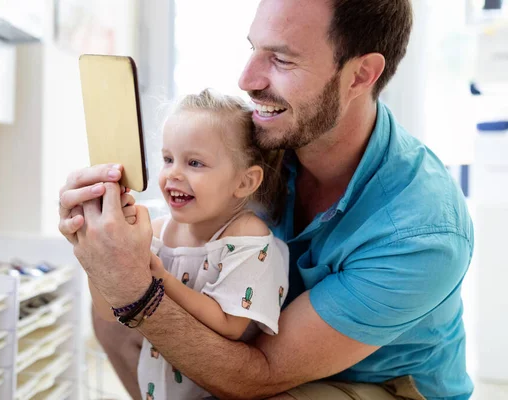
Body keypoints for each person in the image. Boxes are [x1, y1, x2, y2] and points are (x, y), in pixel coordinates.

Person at [58, 0, 474, 399]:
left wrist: (137, 287)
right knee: (112, 319)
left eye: (282, 59)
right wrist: (103, 238)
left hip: (384, 385)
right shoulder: (263, 140)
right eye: (254, 49)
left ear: (361, 74)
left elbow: (259, 376)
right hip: (254, 347)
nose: (246, 79)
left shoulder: (422, 230)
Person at [87, 88, 290, 400]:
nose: (173, 174)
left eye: (194, 163)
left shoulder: (247, 237)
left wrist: (161, 281)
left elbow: (229, 324)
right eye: (168, 159)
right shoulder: (156, 231)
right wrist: (98, 255)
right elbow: (106, 311)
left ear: (245, 182)